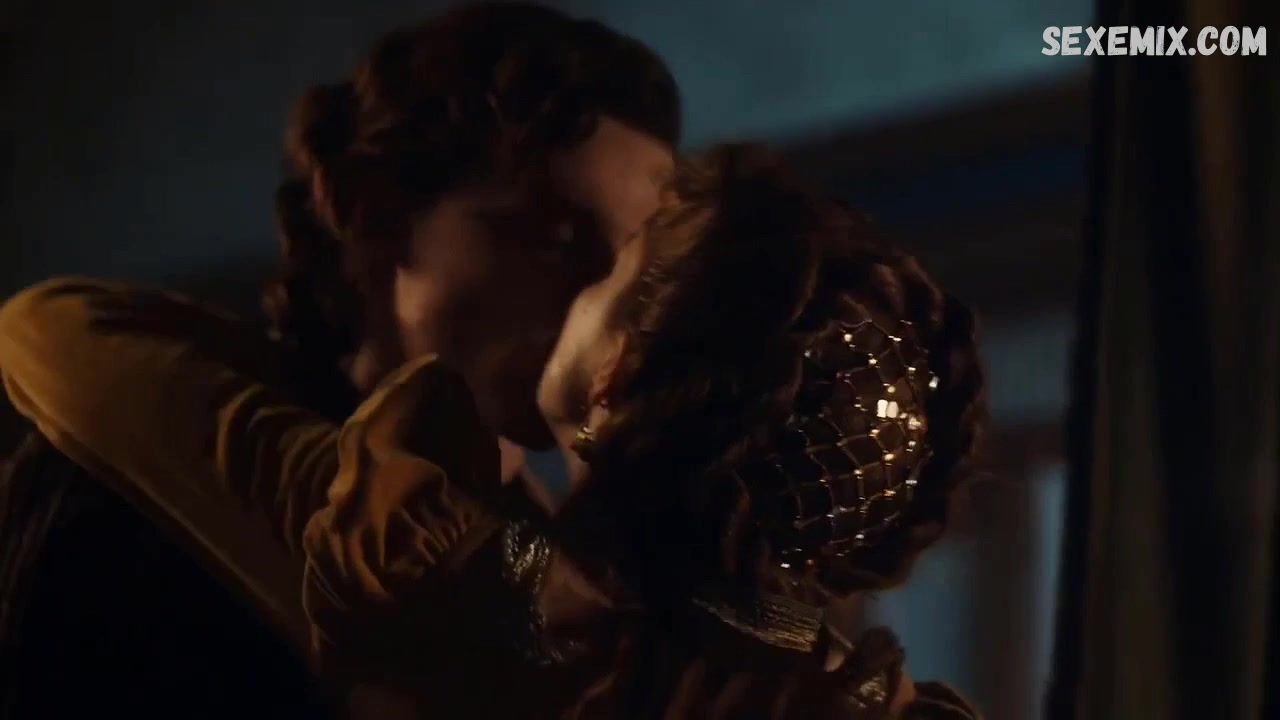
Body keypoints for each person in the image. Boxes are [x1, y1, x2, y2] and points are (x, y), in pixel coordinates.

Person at [1, 145, 985, 718]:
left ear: (616, 371)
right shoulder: (869, 702)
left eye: (605, 268)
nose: (569, 284)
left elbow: (54, 337)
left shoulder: (463, 588)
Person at [0, 3, 680, 716]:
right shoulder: (133, 478)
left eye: (631, 265)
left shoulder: (556, 544)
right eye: (554, 238)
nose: (609, 305)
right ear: (373, 215)